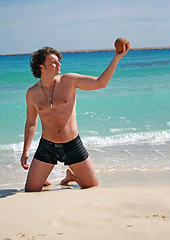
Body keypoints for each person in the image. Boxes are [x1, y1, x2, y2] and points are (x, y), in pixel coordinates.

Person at [20, 42, 130, 192]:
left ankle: (72, 176)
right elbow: (31, 123)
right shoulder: (32, 93)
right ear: (41, 66)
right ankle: (43, 176)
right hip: (47, 146)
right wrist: (25, 151)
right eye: (53, 62)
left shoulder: (70, 80)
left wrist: (116, 59)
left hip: (72, 144)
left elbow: (100, 83)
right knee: (31, 190)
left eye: (59, 61)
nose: (59, 64)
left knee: (91, 186)